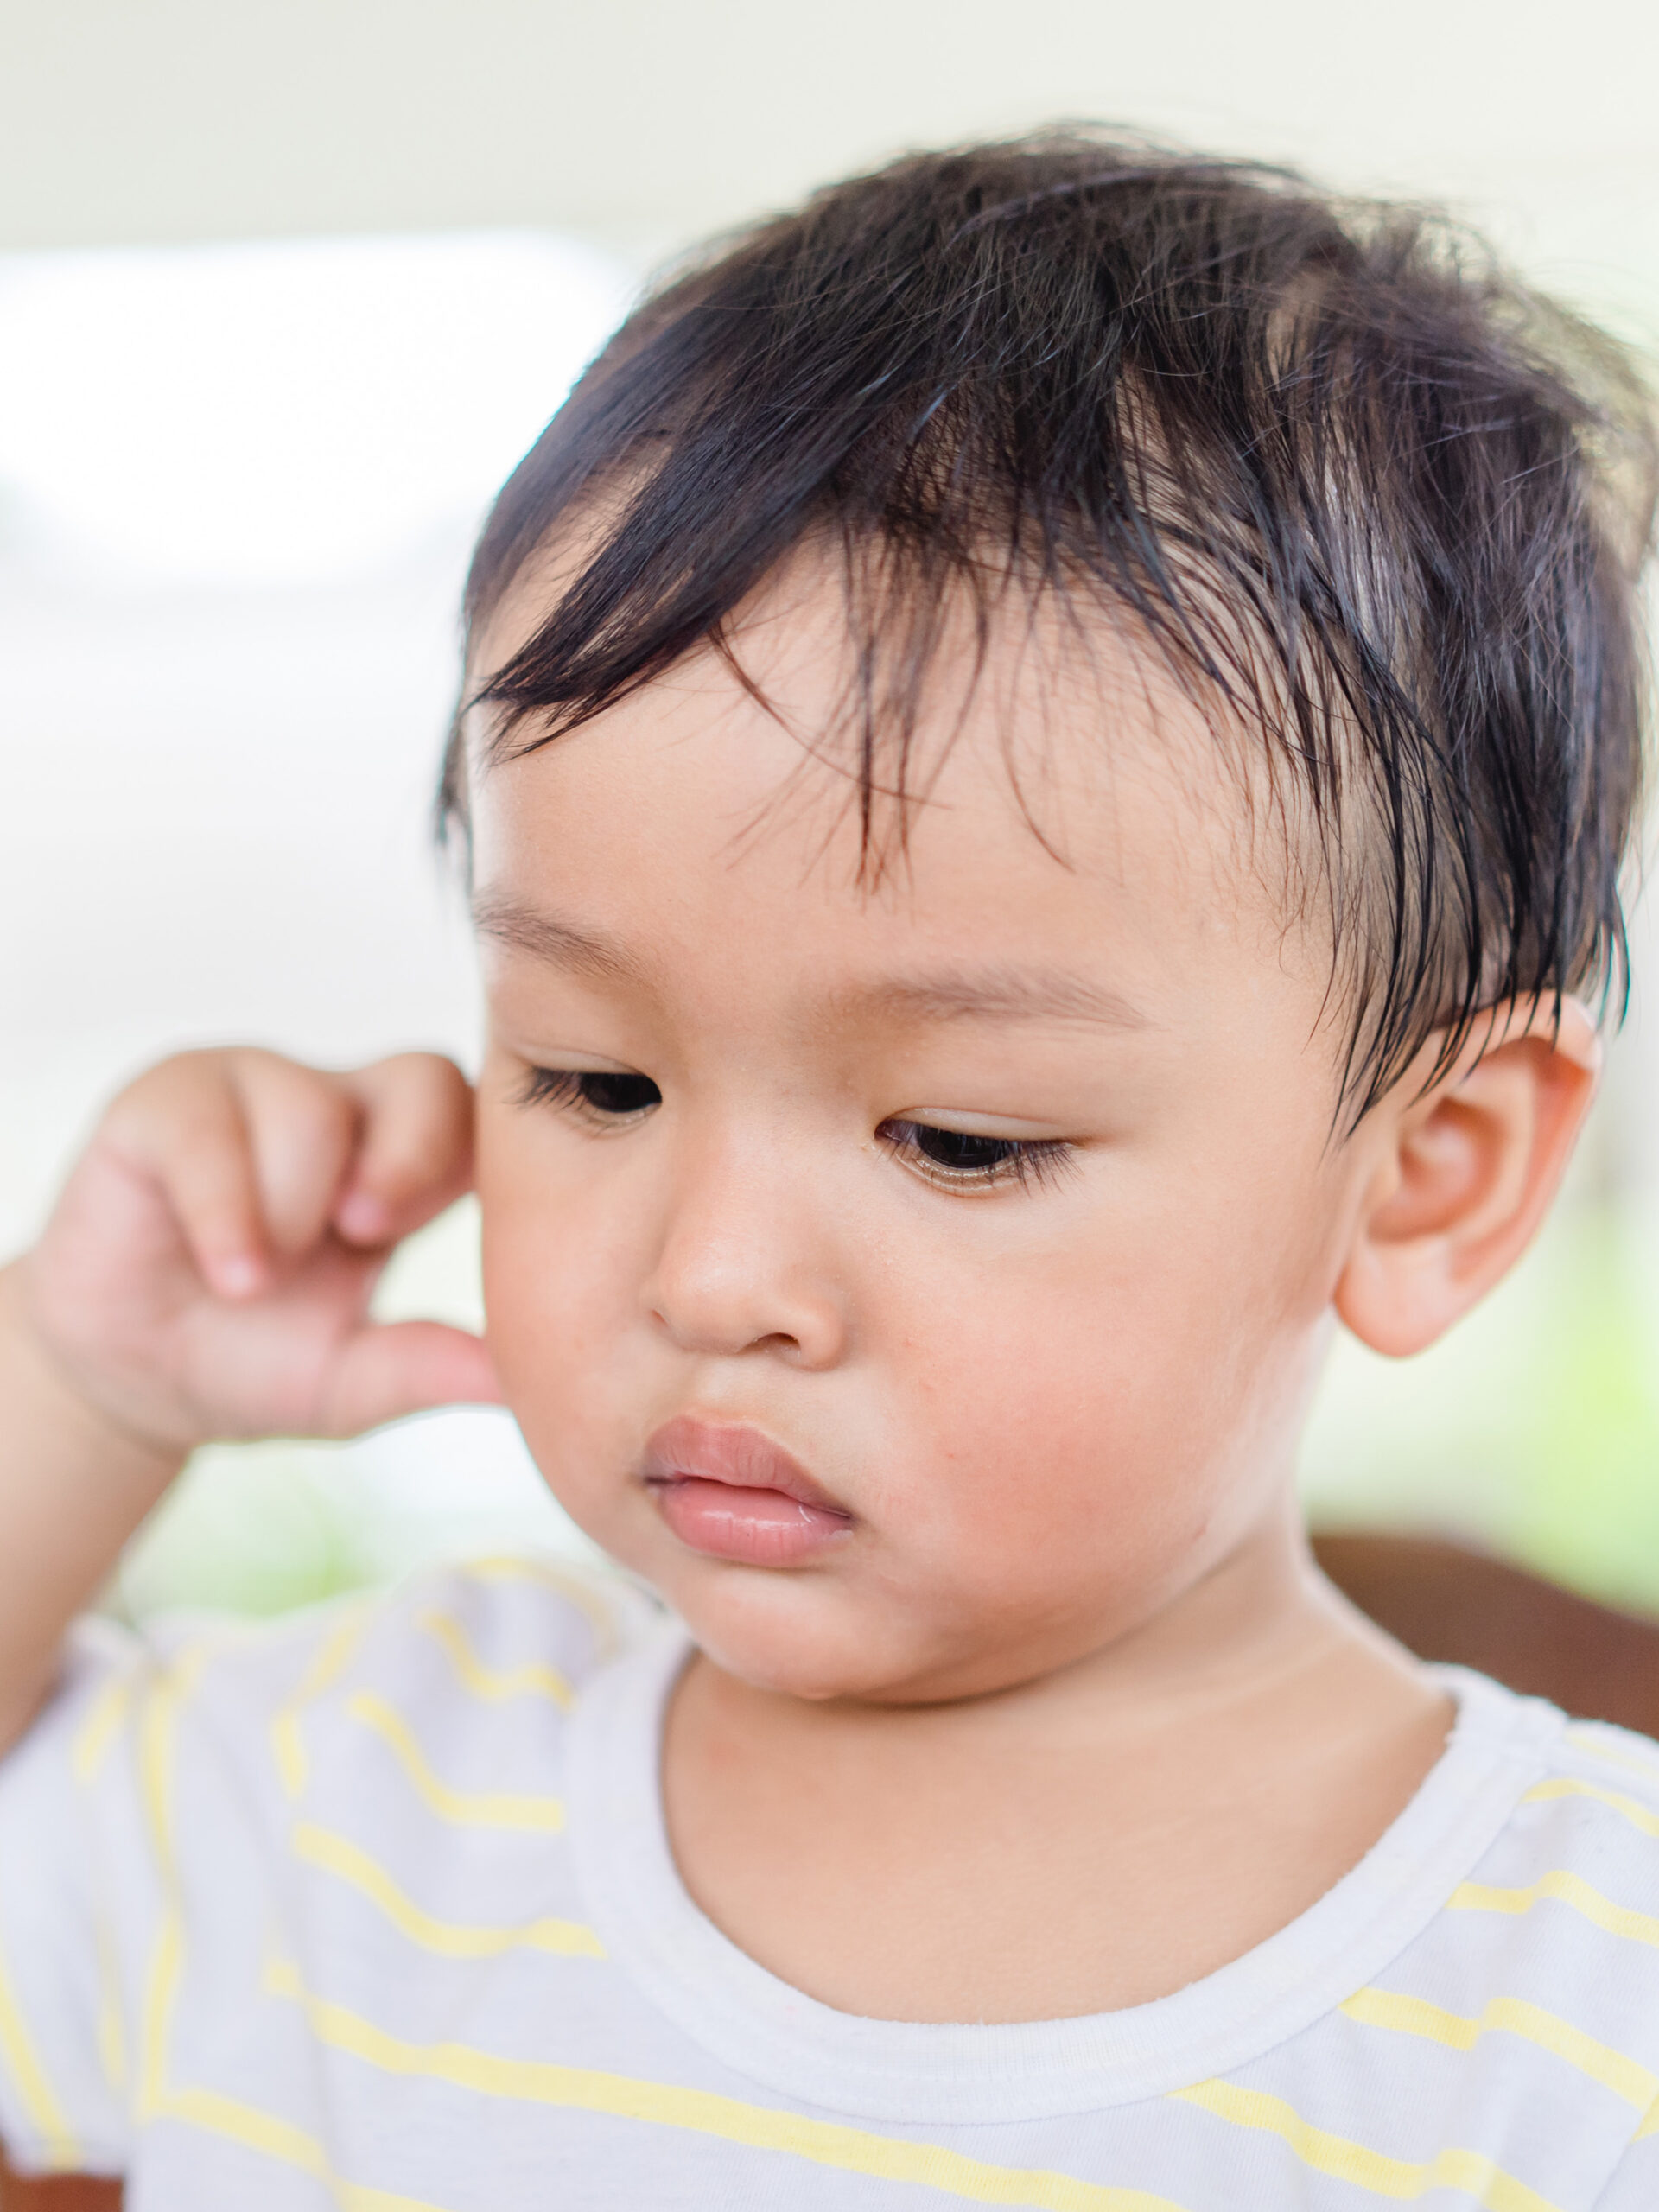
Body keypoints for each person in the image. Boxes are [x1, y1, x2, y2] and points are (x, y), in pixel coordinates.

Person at [0, 132, 1656, 2210]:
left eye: (959, 1135)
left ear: (1426, 1176)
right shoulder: (336, 1796)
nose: (712, 1273)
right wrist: (71, 1385)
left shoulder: (1582, 2019)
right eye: (596, 1080)